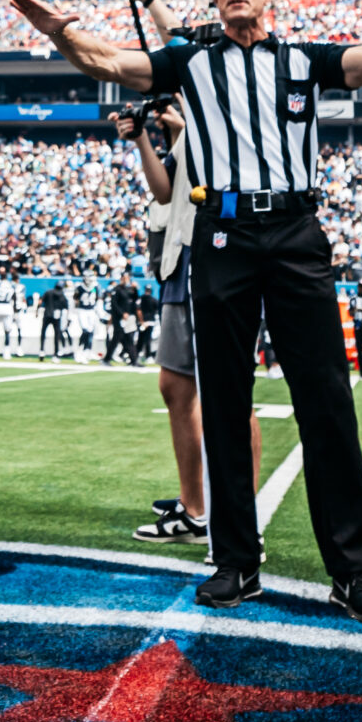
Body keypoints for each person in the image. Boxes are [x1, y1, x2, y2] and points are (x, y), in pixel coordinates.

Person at [12, 0, 362, 624]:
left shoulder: (304, 59)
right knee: (224, 401)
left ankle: (352, 570)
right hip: (222, 232)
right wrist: (58, 30)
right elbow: (113, 62)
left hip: (295, 231)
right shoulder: (190, 62)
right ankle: (235, 561)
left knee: (326, 401)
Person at [119, 97, 260, 547]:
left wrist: (183, 127)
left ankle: (241, 517)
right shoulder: (182, 145)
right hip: (178, 264)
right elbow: (165, 191)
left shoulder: (222, 128)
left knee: (230, 392)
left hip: (216, 261)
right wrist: (142, 136)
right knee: (175, 386)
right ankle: (195, 508)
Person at [38, 281, 69, 361]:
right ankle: (55, 354)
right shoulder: (61, 294)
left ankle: (42, 350)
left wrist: (37, 311)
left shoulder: (48, 292)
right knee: (56, 335)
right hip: (56, 317)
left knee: (43, 333)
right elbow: (65, 306)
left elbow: (41, 302)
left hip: (47, 314)